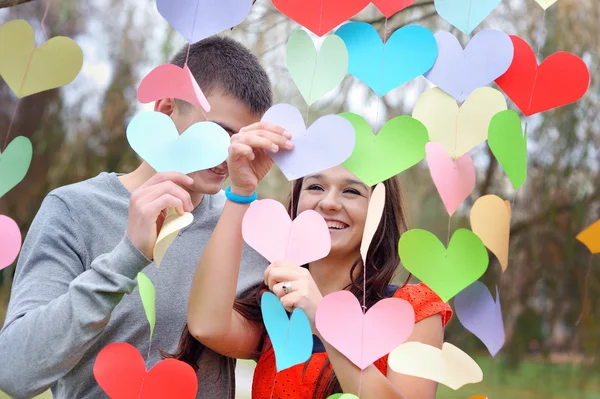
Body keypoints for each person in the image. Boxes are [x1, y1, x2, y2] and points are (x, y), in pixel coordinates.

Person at [0, 36, 292, 399]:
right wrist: (125, 258)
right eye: (217, 131)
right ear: (166, 109)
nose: (229, 153)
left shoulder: (248, 229)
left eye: (243, 140)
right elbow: (13, 370)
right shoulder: (73, 210)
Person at [181, 127, 454, 399]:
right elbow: (207, 325)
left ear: (379, 210)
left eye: (351, 191)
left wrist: (324, 318)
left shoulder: (413, 311)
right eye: (315, 187)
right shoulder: (277, 310)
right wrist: (241, 191)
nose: (329, 202)